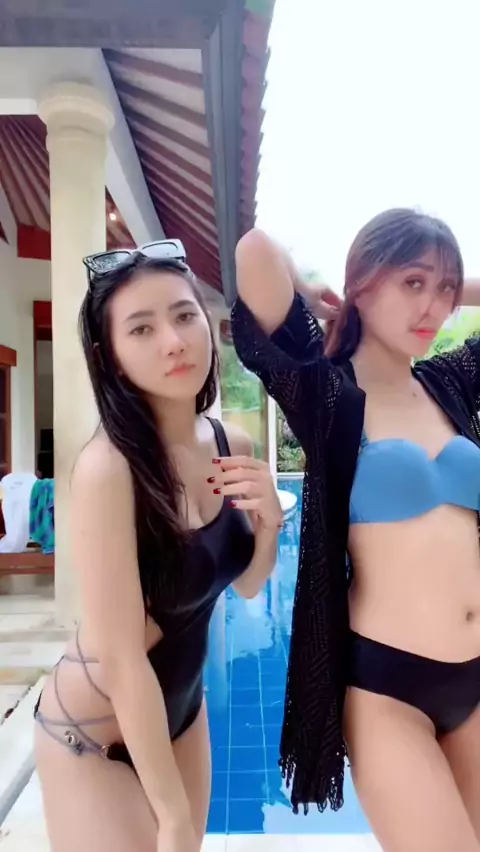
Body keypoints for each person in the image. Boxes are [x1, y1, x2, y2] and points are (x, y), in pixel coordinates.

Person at [231, 210, 480, 852]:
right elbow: (254, 251)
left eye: (444, 289)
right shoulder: (327, 395)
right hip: (389, 689)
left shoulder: (448, 383)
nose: (433, 307)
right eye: (412, 282)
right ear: (363, 285)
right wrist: (311, 289)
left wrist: (450, 281)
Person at [34, 239, 282, 852]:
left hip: (181, 713)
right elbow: (122, 657)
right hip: (92, 732)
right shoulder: (109, 469)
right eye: (141, 328)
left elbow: (248, 585)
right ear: (111, 357)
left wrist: (269, 524)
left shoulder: (231, 445)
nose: (173, 341)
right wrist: (170, 814)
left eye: (183, 315)